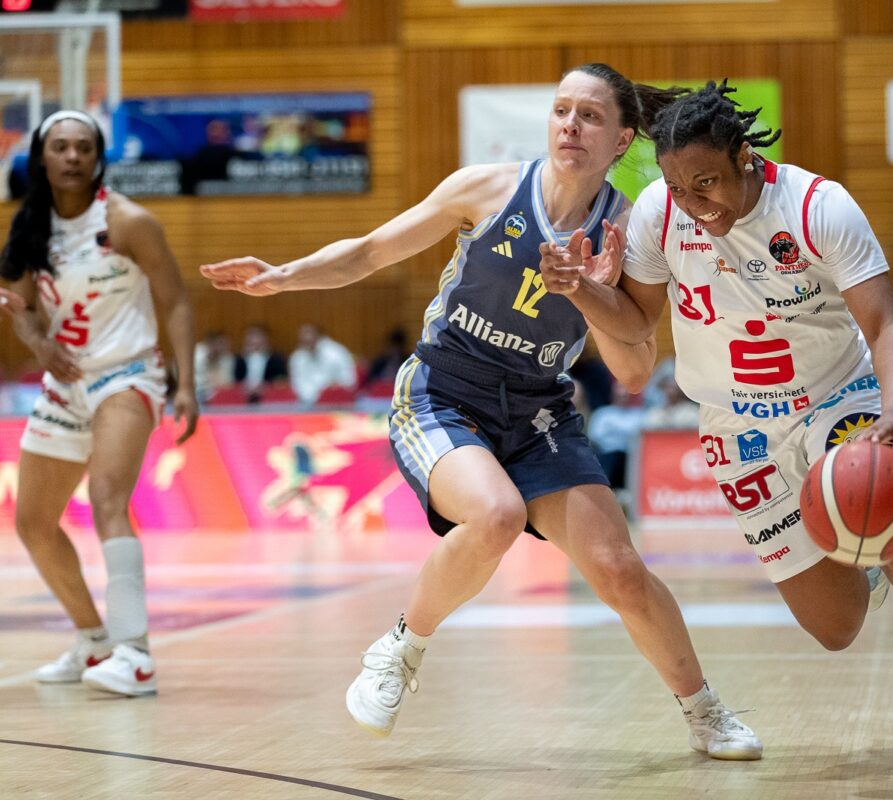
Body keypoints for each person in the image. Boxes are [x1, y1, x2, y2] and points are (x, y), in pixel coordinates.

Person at [200, 64, 761, 760]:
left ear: (621, 140)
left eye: (590, 116)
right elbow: (371, 252)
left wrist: (590, 294)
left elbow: (634, 369)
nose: (571, 125)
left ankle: (706, 713)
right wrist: (284, 275)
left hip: (538, 409)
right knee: (496, 515)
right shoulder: (488, 189)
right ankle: (400, 649)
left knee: (619, 568)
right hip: (443, 391)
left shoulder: (626, 228)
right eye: (562, 110)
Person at [540, 80, 893, 784]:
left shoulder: (817, 206)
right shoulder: (659, 213)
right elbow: (637, 322)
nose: (695, 205)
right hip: (736, 428)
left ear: (745, 159)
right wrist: (581, 289)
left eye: (707, 184)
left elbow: (887, 326)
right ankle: (863, 560)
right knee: (835, 628)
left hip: (837, 399)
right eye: (678, 187)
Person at [0, 110, 199, 697]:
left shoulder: (129, 221)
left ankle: (136, 654)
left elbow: (176, 302)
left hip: (128, 373)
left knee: (109, 498)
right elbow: (22, 307)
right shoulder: (31, 225)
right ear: (42, 157)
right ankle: (94, 640)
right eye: (60, 147)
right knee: (33, 523)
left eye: (83, 147)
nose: (72, 156)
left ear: (98, 157)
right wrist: (38, 343)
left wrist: (187, 384)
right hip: (66, 382)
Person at [288, 322, 357, 405]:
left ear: (319, 336)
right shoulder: (297, 357)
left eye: (310, 336)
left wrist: (331, 390)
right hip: (310, 403)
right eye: (304, 340)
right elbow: (298, 385)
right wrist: (317, 396)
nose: (307, 339)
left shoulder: (337, 352)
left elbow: (349, 380)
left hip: (338, 400)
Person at [234, 323, 289, 400]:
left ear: (265, 338)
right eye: (252, 336)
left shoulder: (276, 359)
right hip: (242, 396)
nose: (255, 340)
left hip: (270, 396)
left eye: (258, 336)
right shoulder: (239, 359)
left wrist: (265, 386)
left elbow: (281, 378)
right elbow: (234, 379)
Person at [194, 329, 237, 401]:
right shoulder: (196, 353)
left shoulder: (227, 358)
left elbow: (228, 384)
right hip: (197, 393)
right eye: (221, 343)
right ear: (210, 343)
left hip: (218, 396)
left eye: (225, 344)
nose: (224, 347)